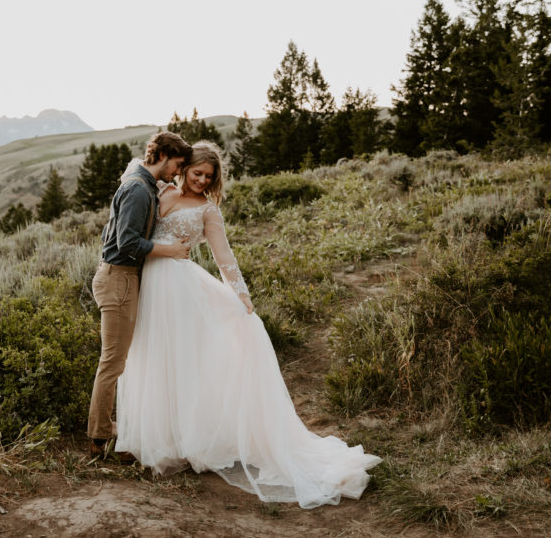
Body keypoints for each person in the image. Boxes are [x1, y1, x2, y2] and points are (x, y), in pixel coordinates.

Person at [115, 141, 381, 509]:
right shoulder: (159, 191)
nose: (202, 180)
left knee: (186, 359)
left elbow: (224, 257)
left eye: (209, 176)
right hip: (153, 287)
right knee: (156, 357)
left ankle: (192, 437)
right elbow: (133, 177)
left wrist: (241, 296)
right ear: (183, 168)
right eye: (196, 173)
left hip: (180, 287)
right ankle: (165, 436)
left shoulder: (208, 210)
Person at [87, 131, 193, 458]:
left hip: (122, 279)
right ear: (162, 155)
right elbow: (127, 243)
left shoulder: (143, 182)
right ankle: (99, 438)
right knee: (113, 362)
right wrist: (170, 250)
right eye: (177, 164)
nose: (178, 172)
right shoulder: (137, 189)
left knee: (116, 359)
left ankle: (106, 428)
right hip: (118, 279)